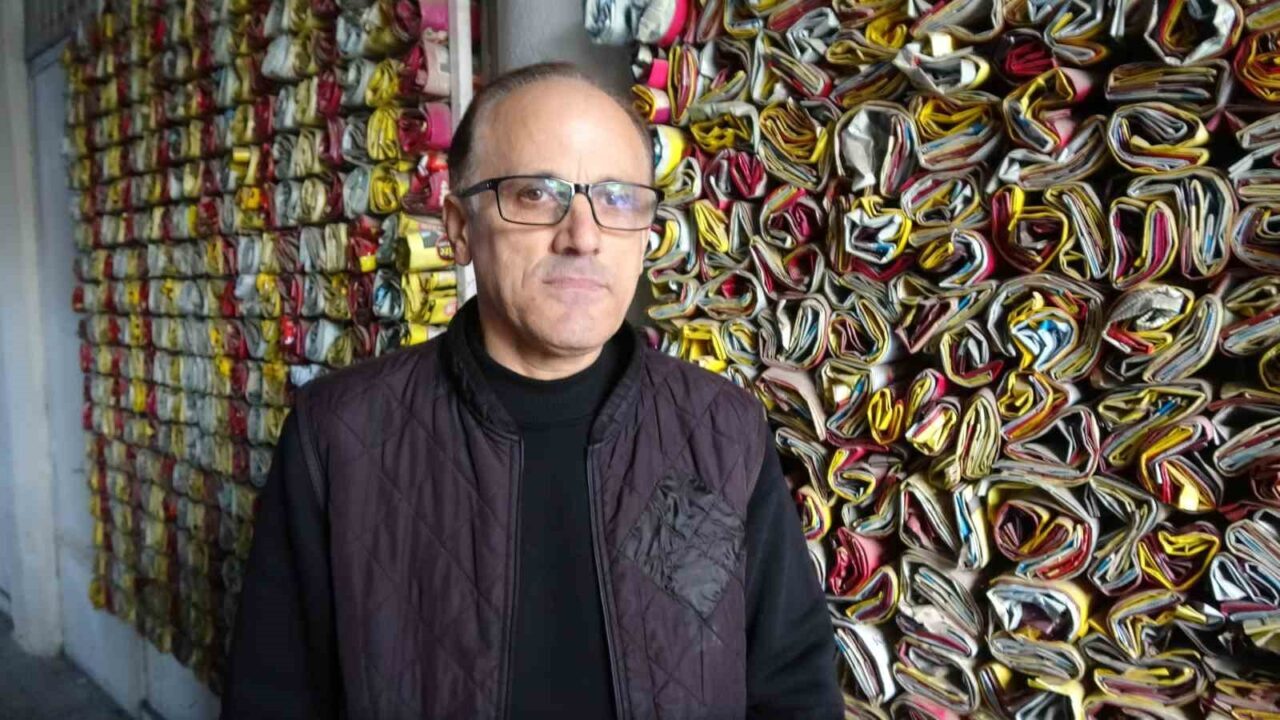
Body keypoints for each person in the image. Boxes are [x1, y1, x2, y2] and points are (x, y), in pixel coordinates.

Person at [222, 62, 841, 720]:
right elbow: (274, 699)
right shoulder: (341, 437)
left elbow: (790, 689)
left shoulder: (715, 432)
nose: (583, 236)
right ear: (459, 227)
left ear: (646, 234)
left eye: (618, 199)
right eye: (537, 194)